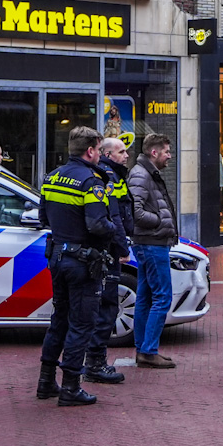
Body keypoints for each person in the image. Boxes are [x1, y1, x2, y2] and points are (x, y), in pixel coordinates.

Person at [36, 126, 114, 407]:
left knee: (60, 319)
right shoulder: (91, 182)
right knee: (81, 324)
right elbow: (97, 224)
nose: (100, 155)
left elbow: (43, 217)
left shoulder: (51, 178)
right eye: (99, 150)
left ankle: (46, 381)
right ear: (90, 150)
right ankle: (71, 386)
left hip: (57, 257)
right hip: (82, 262)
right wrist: (114, 228)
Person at [80, 136, 134, 386]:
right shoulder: (108, 177)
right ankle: (95, 363)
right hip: (108, 250)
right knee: (107, 306)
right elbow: (115, 217)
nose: (126, 155)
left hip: (104, 248)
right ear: (107, 154)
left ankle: (89, 362)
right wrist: (122, 247)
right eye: (121, 152)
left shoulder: (113, 175)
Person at [126, 133, 179, 368]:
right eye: (166, 151)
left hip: (150, 242)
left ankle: (144, 349)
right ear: (154, 152)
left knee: (145, 297)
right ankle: (148, 351)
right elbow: (135, 211)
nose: (170, 156)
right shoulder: (141, 174)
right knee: (162, 297)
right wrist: (158, 221)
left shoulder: (146, 173)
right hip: (152, 243)